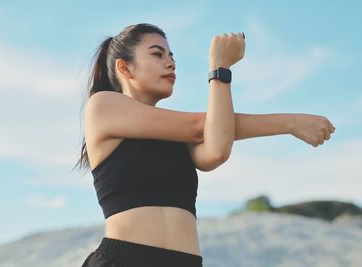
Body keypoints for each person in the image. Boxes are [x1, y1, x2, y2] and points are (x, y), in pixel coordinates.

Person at [74, 23, 335, 266]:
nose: (171, 63)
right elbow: (201, 127)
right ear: (124, 67)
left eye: (172, 56)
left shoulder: (177, 134)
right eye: (158, 54)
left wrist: (224, 69)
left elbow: (218, 147)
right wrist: (220, 68)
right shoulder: (102, 106)